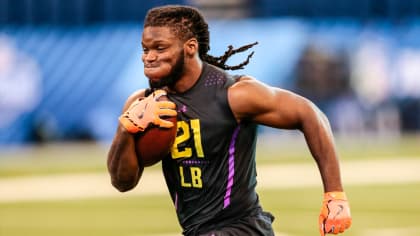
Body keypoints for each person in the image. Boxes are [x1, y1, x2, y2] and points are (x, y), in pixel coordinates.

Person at [107, 5, 352, 236]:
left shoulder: (233, 94)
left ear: (190, 47)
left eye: (160, 48)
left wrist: (335, 195)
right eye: (145, 49)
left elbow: (309, 113)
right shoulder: (142, 104)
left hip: (241, 228)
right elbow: (122, 183)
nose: (148, 57)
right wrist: (125, 129)